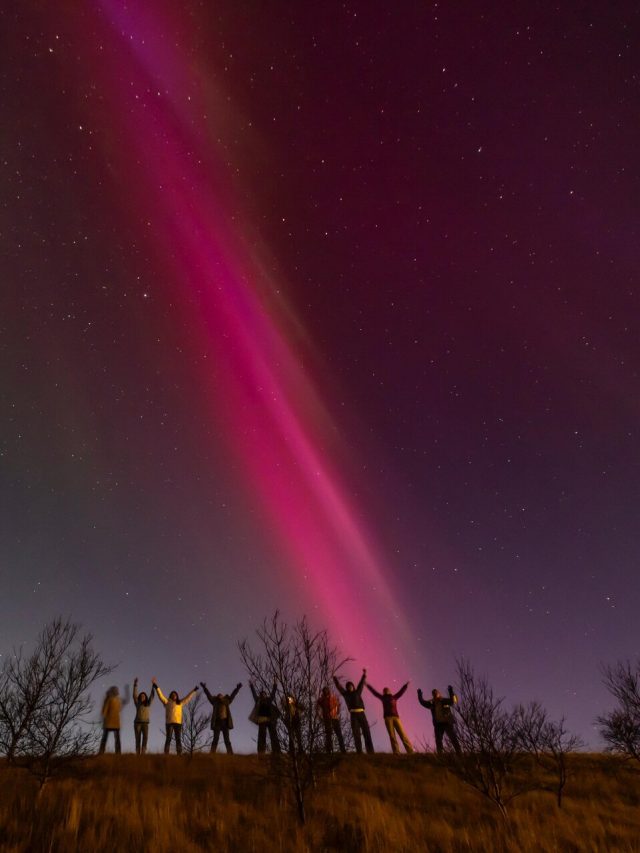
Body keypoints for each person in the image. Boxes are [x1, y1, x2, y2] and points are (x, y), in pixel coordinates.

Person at [152, 678, 198, 754]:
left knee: (178, 739)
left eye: (175, 695)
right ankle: (166, 753)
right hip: (169, 723)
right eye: (172, 695)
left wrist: (194, 690)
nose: (174, 696)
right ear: (170, 696)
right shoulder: (167, 702)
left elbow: (188, 697)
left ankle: (179, 753)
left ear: (177, 696)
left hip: (178, 723)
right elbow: (161, 695)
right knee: (168, 738)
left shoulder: (180, 703)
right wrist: (156, 686)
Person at [333, 669, 374, 754]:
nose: (350, 687)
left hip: (361, 713)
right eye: (348, 686)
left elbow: (361, 684)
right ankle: (359, 751)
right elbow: (339, 687)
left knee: (366, 731)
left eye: (351, 685)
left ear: (353, 686)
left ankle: (370, 751)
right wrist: (334, 678)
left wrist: (364, 675)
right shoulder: (345, 694)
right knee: (356, 733)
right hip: (353, 715)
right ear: (347, 688)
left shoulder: (357, 692)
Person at [366, 681, 413, 754]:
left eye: (387, 689)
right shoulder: (382, 697)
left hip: (396, 717)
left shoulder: (394, 697)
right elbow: (374, 692)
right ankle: (396, 752)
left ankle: (410, 751)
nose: (385, 690)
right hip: (387, 718)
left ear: (389, 691)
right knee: (392, 735)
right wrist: (368, 685)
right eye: (384, 690)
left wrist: (405, 685)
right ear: (383, 692)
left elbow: (401, 692)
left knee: (402, 734)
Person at [417, 684, 461, 754]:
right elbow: (422, 702)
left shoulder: (444, 700)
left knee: (453, 738)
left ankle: (459, 753)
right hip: (438, 724)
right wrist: (419, 694)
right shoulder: (431, 703)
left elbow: (452, 701)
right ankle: (440, 755)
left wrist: (450, 691)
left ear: (438, 694)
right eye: (433, 693)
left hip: (447, 723)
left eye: (436, 692)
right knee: (438, 740)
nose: (434, 694)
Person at [200, 681, 242, 753]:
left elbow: (232, 696)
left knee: (227, 739)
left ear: (223, 696)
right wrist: (204, 688)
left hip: (225, 722)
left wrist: (237, 688)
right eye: (218, 695)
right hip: (217, 722)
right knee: (215, 739)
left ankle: (230, 753)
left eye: (221, 695)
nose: (220, 695)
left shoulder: (226, 701)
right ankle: (212, 753)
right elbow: (209, 696)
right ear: (217, 697)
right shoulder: (215, 702)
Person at [249, 682, 281, 754]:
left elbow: (273, 694)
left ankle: (276, 751)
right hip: (261, 719)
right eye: (262, 694)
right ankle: (261, 752)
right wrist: (251, 685)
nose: (263, 695)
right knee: (262, 736)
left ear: (266, 695)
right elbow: (254, 694)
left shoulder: (269, 700)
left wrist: (275, 685)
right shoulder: (258, 700)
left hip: (270, 719)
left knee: (273, 735)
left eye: (264, 694)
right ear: (260, 695)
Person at [99, 684, 129, 754]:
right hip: (109, 721)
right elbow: (104, 711)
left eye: (117, 690)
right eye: (116, 690)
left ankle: (118, 753)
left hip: (115, 722)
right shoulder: (109, 699)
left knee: (116, 739)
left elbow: (126, 701)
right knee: (105, 738)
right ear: (113, 691)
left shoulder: (118, 700)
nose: (117, 691)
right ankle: (101, 752)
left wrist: (127, 690)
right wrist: (104, 717)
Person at [316, 686, 345, 753]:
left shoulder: (333, 697)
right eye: (324, 690)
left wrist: (337, 713)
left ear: (328, 691)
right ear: (323, 692)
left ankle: (343, 750)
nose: (326, 691)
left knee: (339, 734)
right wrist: (319, 716)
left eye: (327, 690)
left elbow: (338, 705)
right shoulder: (321, 699)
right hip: (327, 719)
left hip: (334, 718)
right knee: (328, 734)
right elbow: (317, 708)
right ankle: (329, 751)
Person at [132, 677, 154, 755]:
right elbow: (134, 695)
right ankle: (138, 752)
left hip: (145, 723)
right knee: (138, 739)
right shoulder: (137, 704)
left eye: (143, 696)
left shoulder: (148, 704)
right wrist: (135, 685)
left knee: (145, 738)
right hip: (137, 723)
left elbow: (152, 696)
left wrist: (153, 685)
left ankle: (143, 752)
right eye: (141, 696)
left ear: (145, 698)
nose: (142, 697)